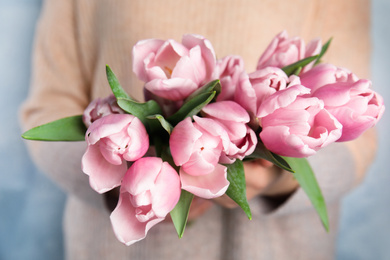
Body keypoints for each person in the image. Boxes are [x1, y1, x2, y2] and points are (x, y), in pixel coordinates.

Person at [20, 0, 376, 259]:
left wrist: (276, 181)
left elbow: (357, 142)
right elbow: (45, 111)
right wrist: (128, 188)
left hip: (276, 248)